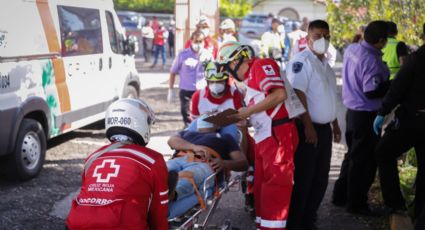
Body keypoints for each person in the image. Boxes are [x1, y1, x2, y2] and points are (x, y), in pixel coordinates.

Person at [218, 41, 299, 230]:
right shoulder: (249, 80)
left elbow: (279, 94)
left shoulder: (262, 65)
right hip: (265, 136)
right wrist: (245, 119)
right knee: (262, 189)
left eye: (228, 67)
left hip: (277, 134)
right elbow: (263, 109)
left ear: (236, 60)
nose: (229, 74)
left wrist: (247, 111)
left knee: (276, 188)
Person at [66, 98, 177, 230]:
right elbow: (159, 210)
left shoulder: (93, 158)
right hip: (121, 224)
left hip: (76, 223)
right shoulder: (153, 160)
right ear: (140, 122)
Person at [285, 20, 341, 230]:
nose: (323, 40)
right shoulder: (301, 61)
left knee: (320, 179)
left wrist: (335, 123)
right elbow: (297, 95)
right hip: (307, 130)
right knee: (304, 180)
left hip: (324, 130)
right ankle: (296, 223)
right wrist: (308, 126)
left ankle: (309, 220)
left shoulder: (325, 64)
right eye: (318, 36)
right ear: (308, 39)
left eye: (327, 36)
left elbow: (328, 97)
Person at [332, 20, 390, 215]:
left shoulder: (352, 49)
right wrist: (392, 85)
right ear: (380, 40)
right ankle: (356, 204)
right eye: (386, 40)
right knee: (363, 161)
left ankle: (340, 196)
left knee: (353, 155)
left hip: (352, 112)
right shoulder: (371, 60)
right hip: (366, 114)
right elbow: (371, 91)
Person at [373, 23, 425, 226]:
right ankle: (420, 212)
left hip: (412, 121)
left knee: (383, 152)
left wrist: (382, 112)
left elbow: (397, 88)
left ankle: (395, 204)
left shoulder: (416, 59)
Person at [167, 115, 249, 202]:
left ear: (218, 125)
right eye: (205, 114)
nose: (207, 115)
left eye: (212, 115)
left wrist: (224, 164)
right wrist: (194, 147)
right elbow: (171, 141)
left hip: (205, 163)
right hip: (179, 158)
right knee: (163, 170)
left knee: (189, 175)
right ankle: (159, 188)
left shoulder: (225, 138)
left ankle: (172, 193)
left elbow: (243, 163)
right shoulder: (186, 133)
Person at [168, 31, 211, 128]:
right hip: (186, 90)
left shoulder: (208, 55)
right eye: (196, 41)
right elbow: (173, 72)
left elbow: (213, 72)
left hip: (202, 90)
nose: (198, 44)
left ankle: (200, 130)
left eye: (201, 41)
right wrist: (170, 90)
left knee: (202, 113)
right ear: (191, 41)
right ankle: (189, 130)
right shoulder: (183, 55)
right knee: (185, 112)